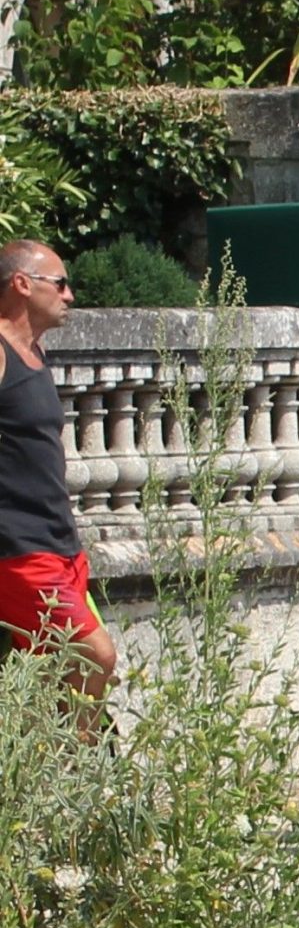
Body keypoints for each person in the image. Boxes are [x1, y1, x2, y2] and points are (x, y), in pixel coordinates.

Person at [0, 241, 116, 719]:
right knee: (95, 655)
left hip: (60, 543)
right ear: (22, 285)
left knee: (47, 673)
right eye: (61, 283)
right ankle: (78, 771)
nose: (70, 296)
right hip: (18, 548)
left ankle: (34, 781)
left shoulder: (35, 352)